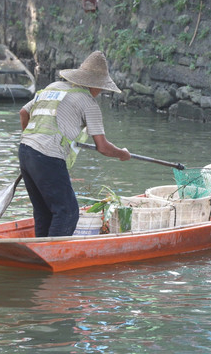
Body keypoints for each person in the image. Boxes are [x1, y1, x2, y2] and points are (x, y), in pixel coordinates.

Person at [18, 51, 130, 237]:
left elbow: (23, 113)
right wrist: (122, 154)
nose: (100, 92)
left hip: (25, 150)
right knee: (68, 212)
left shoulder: (53, 87)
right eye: (101, 88)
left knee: (43, 211)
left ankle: (41, 255)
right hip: (47, 156)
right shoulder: (88, 102)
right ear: (94, 85)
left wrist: (32, 143)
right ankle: (53, 256)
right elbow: (102, 146)